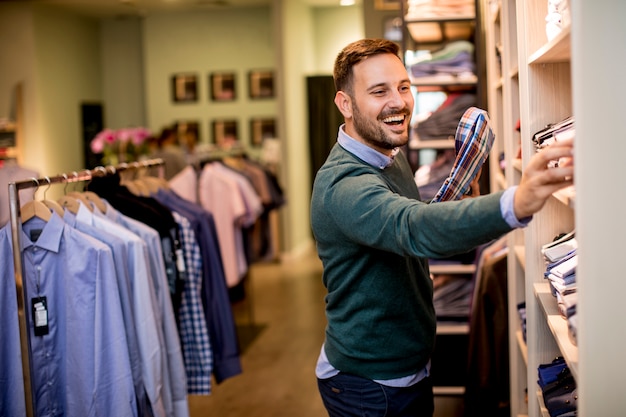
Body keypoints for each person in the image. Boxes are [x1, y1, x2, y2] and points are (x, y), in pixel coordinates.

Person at [310, 38, 573, 417]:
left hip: (406, 366)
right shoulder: (343, 185)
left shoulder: (388, 154)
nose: (398, 102)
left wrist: (458, 209)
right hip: (369, 385)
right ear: (345, 104)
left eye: (403, 87)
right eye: (379, 91)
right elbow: (412, 227)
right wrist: (518, 201)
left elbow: (416, 229)